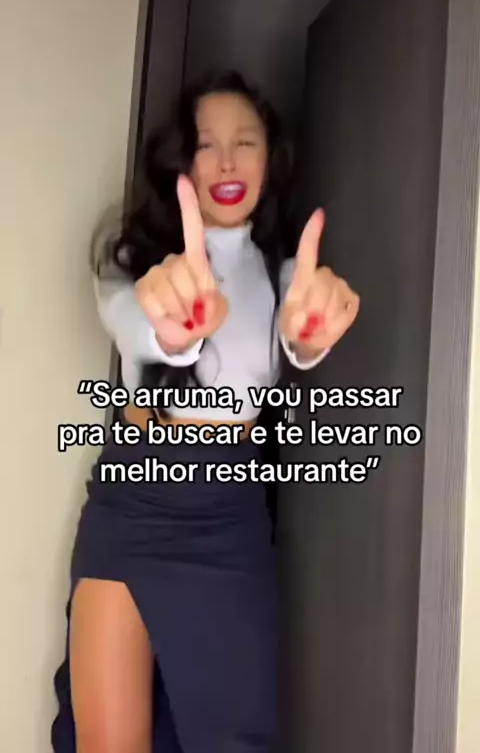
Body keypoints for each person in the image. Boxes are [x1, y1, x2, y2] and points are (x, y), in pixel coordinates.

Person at [51, 70, 359, 753]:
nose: (226, 161)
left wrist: (310, 337)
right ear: (181, 163)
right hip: (131, 504)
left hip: (227, 516)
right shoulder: (132, 260)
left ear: (269, 159)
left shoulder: (284, 275)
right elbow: (134, 324)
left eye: (245, 142)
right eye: (206, 144)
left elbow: (299, 337)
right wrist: (172, 331)